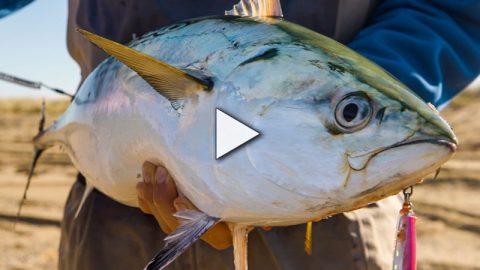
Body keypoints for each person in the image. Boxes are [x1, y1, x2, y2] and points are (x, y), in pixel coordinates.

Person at [60, 1, 480, 269]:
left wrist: (381, 81)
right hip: (108, 217)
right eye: (350, 113)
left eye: (350, 113)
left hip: (325, 223)